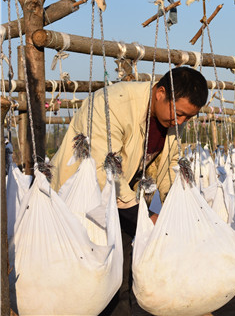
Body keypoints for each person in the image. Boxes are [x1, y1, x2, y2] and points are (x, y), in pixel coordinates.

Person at [50, 66, 208, 316]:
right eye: (179, 114)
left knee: (118, 283)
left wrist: (177, 208)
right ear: (160, 93)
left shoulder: (171, 120)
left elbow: (171, 165)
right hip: (80, 203)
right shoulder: (113, 104)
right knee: (79, 281)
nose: (180, 122)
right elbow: (103, 167)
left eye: (188, 117)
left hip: (120, 205)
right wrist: (144, 219)